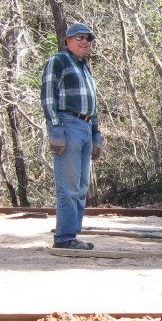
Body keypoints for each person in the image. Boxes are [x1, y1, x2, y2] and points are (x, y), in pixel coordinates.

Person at [41, 22, 105, 250]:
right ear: (67, 40)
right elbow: (48, 97)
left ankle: (72, 235)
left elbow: (92, 104)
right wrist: (55, 130)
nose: (85, 42)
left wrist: (96, 133)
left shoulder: (84, 67)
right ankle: (64, 238)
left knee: (81, 186)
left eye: (88, 38)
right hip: (67, 124)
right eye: (79, 37)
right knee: (68, 186)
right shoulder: (58, 61)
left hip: (85, 126)